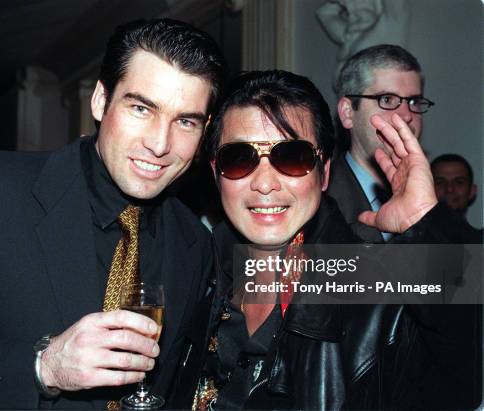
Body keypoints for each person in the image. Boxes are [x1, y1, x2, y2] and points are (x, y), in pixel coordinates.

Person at [0, 18, 226, 409]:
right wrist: (43, 368)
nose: (160, 144)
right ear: (99, 101)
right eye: (141, 108)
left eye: (185, 121)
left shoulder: (195, 242)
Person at [168, 70, 481, 410]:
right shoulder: (196, 275)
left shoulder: (373, 286)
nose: (265, 183)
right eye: (239, 158)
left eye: (292, 157)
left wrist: (427, 223)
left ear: (324, 174)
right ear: (217, 174)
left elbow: (463, 370)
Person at [328, 44, 435, 243]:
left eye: (413, 102)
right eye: (387, 99)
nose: (406, 115)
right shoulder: (317, 203)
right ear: (348, 112)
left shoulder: (430, 201)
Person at [431, 153, 478, 218]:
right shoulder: (412, 228)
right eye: (440, 183)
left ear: (472, 191)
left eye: (459, 182)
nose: (449, 189)